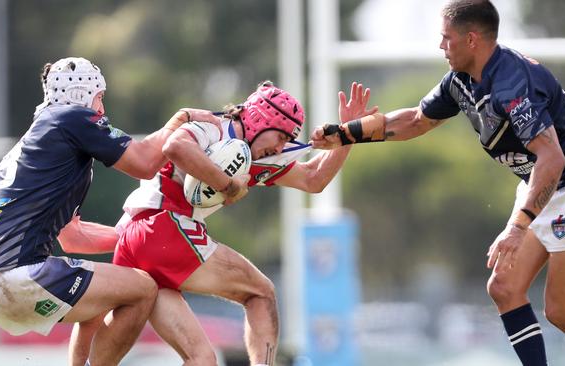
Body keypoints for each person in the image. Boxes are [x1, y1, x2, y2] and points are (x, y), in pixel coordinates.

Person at [310, 1, 565, 365]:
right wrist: (346, 134)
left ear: (471, 39)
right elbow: (416, 120)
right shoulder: (461, 81)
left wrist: (517, 227)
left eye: (446, 38)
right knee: (505, 289)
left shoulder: (512, 84)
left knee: (561, 310)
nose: (441, 46)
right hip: (547, 183)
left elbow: (553, 158)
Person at [69, 81, 376, 366]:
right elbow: (175, 147)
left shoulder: (258, 156)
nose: (281, 148)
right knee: (261, 292)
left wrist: (349, 134)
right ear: (259, 117)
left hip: (137, 244)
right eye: (281, 136)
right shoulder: (214, 126)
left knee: (201, 358)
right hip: (162, 230)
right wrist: (228, 185)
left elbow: (313, 179)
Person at [0, 57, 228, 366]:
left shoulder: (41, 140)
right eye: (99, 97)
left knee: (104, 294)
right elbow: (145, 163)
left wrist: (131, 237)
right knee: (143, 289)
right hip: (18, 275)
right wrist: (180, 120)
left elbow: (73, 237)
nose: (102, 110)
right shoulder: (70, 119)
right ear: (81, 94)